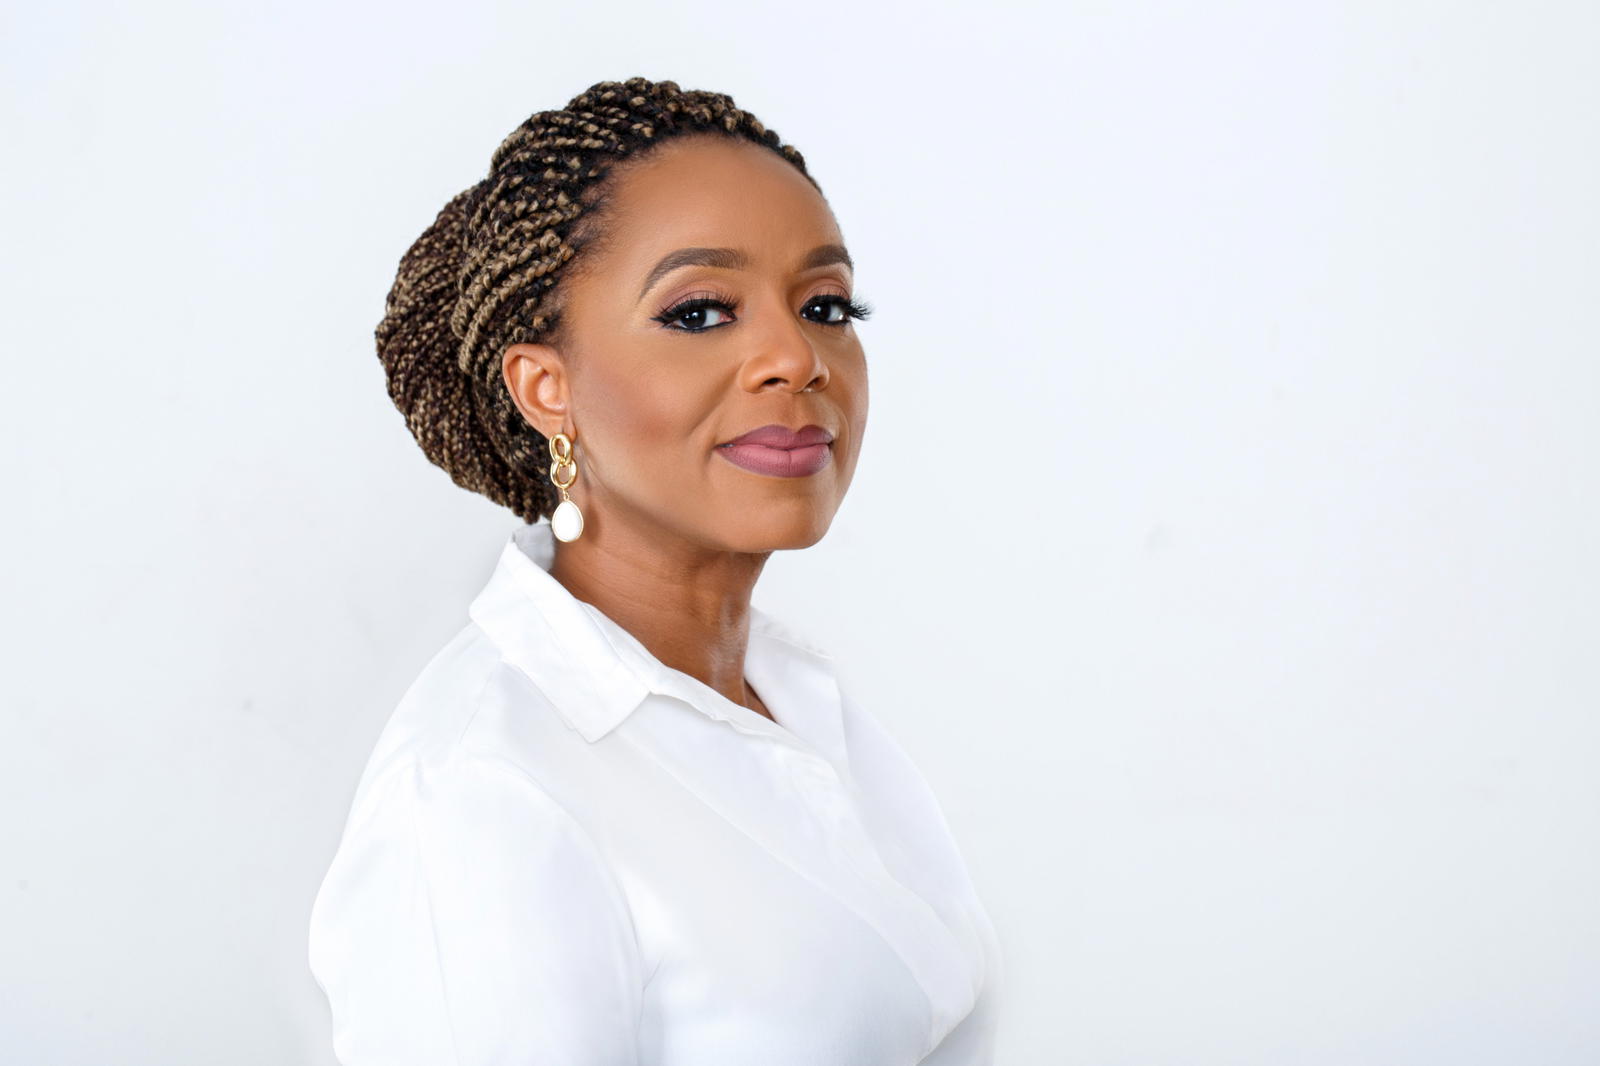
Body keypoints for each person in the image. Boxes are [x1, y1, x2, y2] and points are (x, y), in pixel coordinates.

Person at [307, 76, 1004, 1065]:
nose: (796, 358)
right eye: (701, 312)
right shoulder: (484, 789)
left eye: (825, 305)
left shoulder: (801, 704)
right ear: (546, 388)